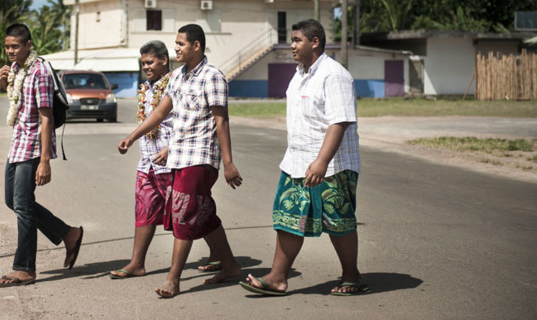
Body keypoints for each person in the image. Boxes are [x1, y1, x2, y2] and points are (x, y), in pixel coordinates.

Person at [240, 18, 368, 297]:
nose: (292, 45)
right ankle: (277, 278)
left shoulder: (334, 75)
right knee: (287, 216)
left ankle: (351, 275)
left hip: (332, 164)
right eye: (292, 40)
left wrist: (321, 161)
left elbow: (340, 121)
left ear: (315, 42)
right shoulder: (299, 74)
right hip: (296, 162)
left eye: (297, 40)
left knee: (338, 220)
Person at [118, 24, 243, 298]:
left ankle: (173, 279)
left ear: (196, 46)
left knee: (183, 214)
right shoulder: (177, 77)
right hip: (178, 158)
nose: (176, 48)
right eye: (175, 43)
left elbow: (221, 120)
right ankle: (231, 266)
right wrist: (133, 136)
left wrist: (228, 162)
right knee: (202, 212)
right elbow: (161, 112)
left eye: (181, 44)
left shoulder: (213, 77)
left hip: (200, 157)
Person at [111, 40, 217, 279]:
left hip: (172, 160)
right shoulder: (146, 88)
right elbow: (152, 119)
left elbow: (184, 120)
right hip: (147, 160)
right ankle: (137, 263)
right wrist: (132, 138)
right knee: (144, 208)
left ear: (163, 61)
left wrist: (171, 148)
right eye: (143, 64)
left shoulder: (176, 82)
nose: (146, 67)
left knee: (190, 211)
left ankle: (219, 253)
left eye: (150, 63)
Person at [0, 23, 83, 288]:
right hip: (17, 143)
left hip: (32, 147)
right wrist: (3, 82)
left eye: (15, 46)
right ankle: (69, 233)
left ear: (28, 45)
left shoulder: (39, 72)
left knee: (22, 204)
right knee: (13, 201)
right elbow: (17, 105)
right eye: (7, 46)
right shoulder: (17, 69)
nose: (10, 51)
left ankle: (24, 268)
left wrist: (45, 161)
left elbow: (46, 118)